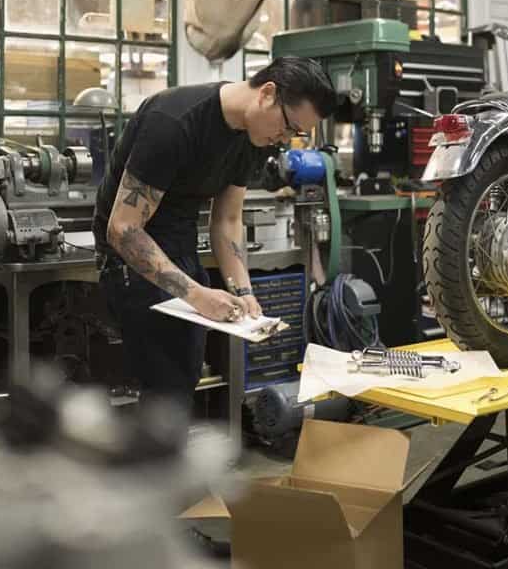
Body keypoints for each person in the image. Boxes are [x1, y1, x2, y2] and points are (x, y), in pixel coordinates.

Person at [93, 56, 338, 410]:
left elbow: (226, 219)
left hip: (179, 248)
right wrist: (197, 295)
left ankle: (164, 457)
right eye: (289, 128)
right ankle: (150, 460)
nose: (284, 140)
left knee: (183, 378)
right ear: (267, 93)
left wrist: (243, 291)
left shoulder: (251, 139)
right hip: (128, 261)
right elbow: (123, 228)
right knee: (166, 388)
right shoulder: (174, 121)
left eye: (294, 136)